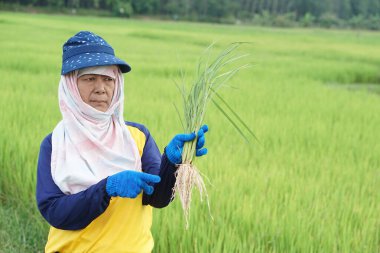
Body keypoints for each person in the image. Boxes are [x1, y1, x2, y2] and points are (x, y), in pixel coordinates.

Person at [36, 31, 209, 253]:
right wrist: (106, 188)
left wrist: (172, 162)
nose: (101, 88)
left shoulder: (137, 136)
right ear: (70, 85)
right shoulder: (55, 144)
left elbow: (156, 197)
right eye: (90, 78)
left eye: (108, 79)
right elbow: (54, 211)